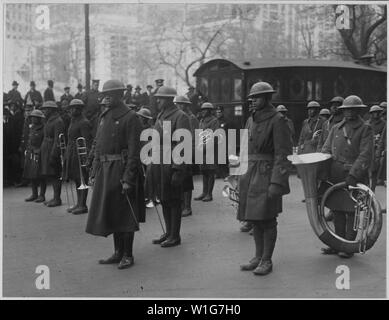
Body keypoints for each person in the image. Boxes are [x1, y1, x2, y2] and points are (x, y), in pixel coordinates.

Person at [86, 80, 145, 270]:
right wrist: (94, 172)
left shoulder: (131, 117)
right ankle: (118, 252)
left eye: (110, 94)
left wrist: (128, 178)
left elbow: (135, 152)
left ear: (120, 95)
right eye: (104, 94)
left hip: (120, 170)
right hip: (105, 170)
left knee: (125, 214)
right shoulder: (105, 116)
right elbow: (98, 145)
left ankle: (128, 254)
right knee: (111, 212)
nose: (105, 97)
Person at [239, 82, 292, 276]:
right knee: (255, 219)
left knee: (268, 219)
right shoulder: (251, 120)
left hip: (267, 175)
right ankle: (257, 256)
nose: (252, 100)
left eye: (257, 97)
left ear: (267, 98)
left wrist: (277, 182)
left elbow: (283, 154)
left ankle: (267, 259)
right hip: (250, 174)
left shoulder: (278, 120)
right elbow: (244, 149)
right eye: (251, 97)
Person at [321, 95, 373, 259]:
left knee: (352, 212)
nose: (349, 112)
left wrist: (354, 174)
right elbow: (326, 149)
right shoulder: (336, 128)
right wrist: (321, 168)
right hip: (335, 174)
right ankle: (337, 243)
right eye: (346, 109)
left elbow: (365, 155)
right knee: (337, 210)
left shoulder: (366, 129)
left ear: (358, 110)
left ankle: (348, 246)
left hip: (353, 176)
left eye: (352, 109)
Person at [149, 86, 191, 247]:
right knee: (164, 198)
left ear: (167, 99)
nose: (157, 101)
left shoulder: (181, 116)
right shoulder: (161, 115)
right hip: (160, 162)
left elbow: (183, 144)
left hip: (171, 163)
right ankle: (168, 232)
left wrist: (178, 170)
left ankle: (175, 235)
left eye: (160, 98)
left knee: (174, 200)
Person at [64, 99, 93, 215]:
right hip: (72, 152)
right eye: (71, 108)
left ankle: (83, 205)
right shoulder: (73, 120)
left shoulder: (84, 122)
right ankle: (78, 203)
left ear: (80, 109)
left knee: (82, 179)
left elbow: (88, 141)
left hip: (79, 154)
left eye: (75, 108)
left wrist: (86, 158)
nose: (72, 110)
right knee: (77, 179)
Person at [173, 95, 198, 217]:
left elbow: (193, 137)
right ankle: (182, 205)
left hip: (187, 151)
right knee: (180, 178)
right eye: (177, 104)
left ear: (186, 105)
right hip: (179, 149)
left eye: (180, 104)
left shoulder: (191, 118)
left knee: (187, 179)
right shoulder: (179, 116)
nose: (178, 106)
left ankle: (187, 207)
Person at [40, 100, 65, 207]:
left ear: (51, 110)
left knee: (55, 174)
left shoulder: (57, 121)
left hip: (52, 150)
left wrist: (54, 154)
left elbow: (57, 140)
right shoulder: (49, 120)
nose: (44, 111)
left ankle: (57, 199)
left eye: (45, 109)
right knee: (50, 174)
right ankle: (55, 198)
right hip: (46, 149)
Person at [194, 102, 220, 202]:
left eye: (205, 110)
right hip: (202, 149)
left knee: (210, 172)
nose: (203, 111)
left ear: (210, 111)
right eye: (202, 110)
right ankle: (204, 192)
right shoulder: (201, 121)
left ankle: (209, 194)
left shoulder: (214, 121)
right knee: (204, 171)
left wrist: (205, 147)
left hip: (210, 150)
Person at [23, 110, 46, 202]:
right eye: (32, 117)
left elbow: (44, 141)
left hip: (39, 153)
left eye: (35, 117)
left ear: (40, 118)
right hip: (30, 152)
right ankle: (34, 194)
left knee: (40, 175)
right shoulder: (31, 127)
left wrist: (39, 150)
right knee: (31, 174)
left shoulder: (44, 128)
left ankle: (42, 195)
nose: (33, 118)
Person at [367, 105, 385, 191]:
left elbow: (384, 137)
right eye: (374, 113)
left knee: (374, 170)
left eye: (377, 112)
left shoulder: (384, 123)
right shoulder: (367, 123)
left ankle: (372, 189)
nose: (376, 114)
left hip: (377, 150)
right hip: (368, 148)